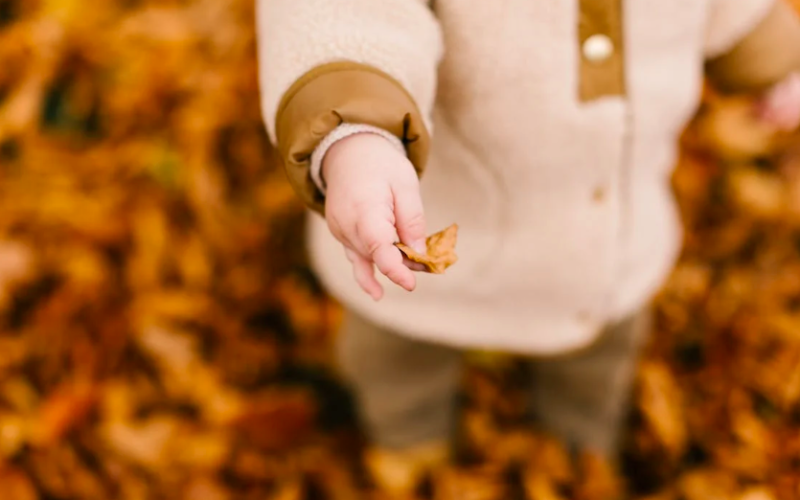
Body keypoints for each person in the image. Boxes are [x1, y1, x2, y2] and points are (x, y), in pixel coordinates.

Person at [256, 0, 800, 495]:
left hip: (602, 236)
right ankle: (408, 440)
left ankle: (578, 454)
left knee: (596, 364)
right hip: (415, 229)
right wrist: (353, 134)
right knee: (397, 359)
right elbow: (343, 13)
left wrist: (775, 59)